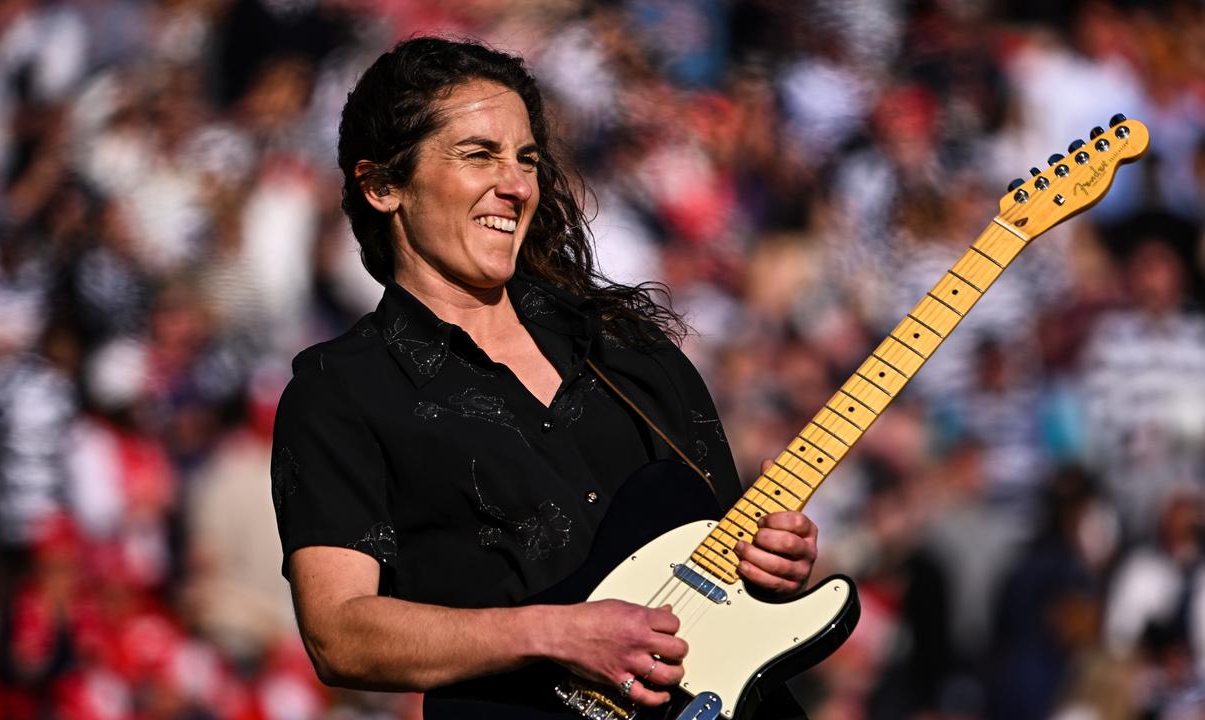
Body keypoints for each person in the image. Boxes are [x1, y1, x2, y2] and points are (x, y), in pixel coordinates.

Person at [271, 36, 819, 719]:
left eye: (526, 158)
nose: (517, 184)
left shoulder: (627, 346)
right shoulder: (339, 390)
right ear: (384, 185)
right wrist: (553, 634)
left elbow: (728, 579)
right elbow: (340, 633)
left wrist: (773, 562)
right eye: (479, 154)